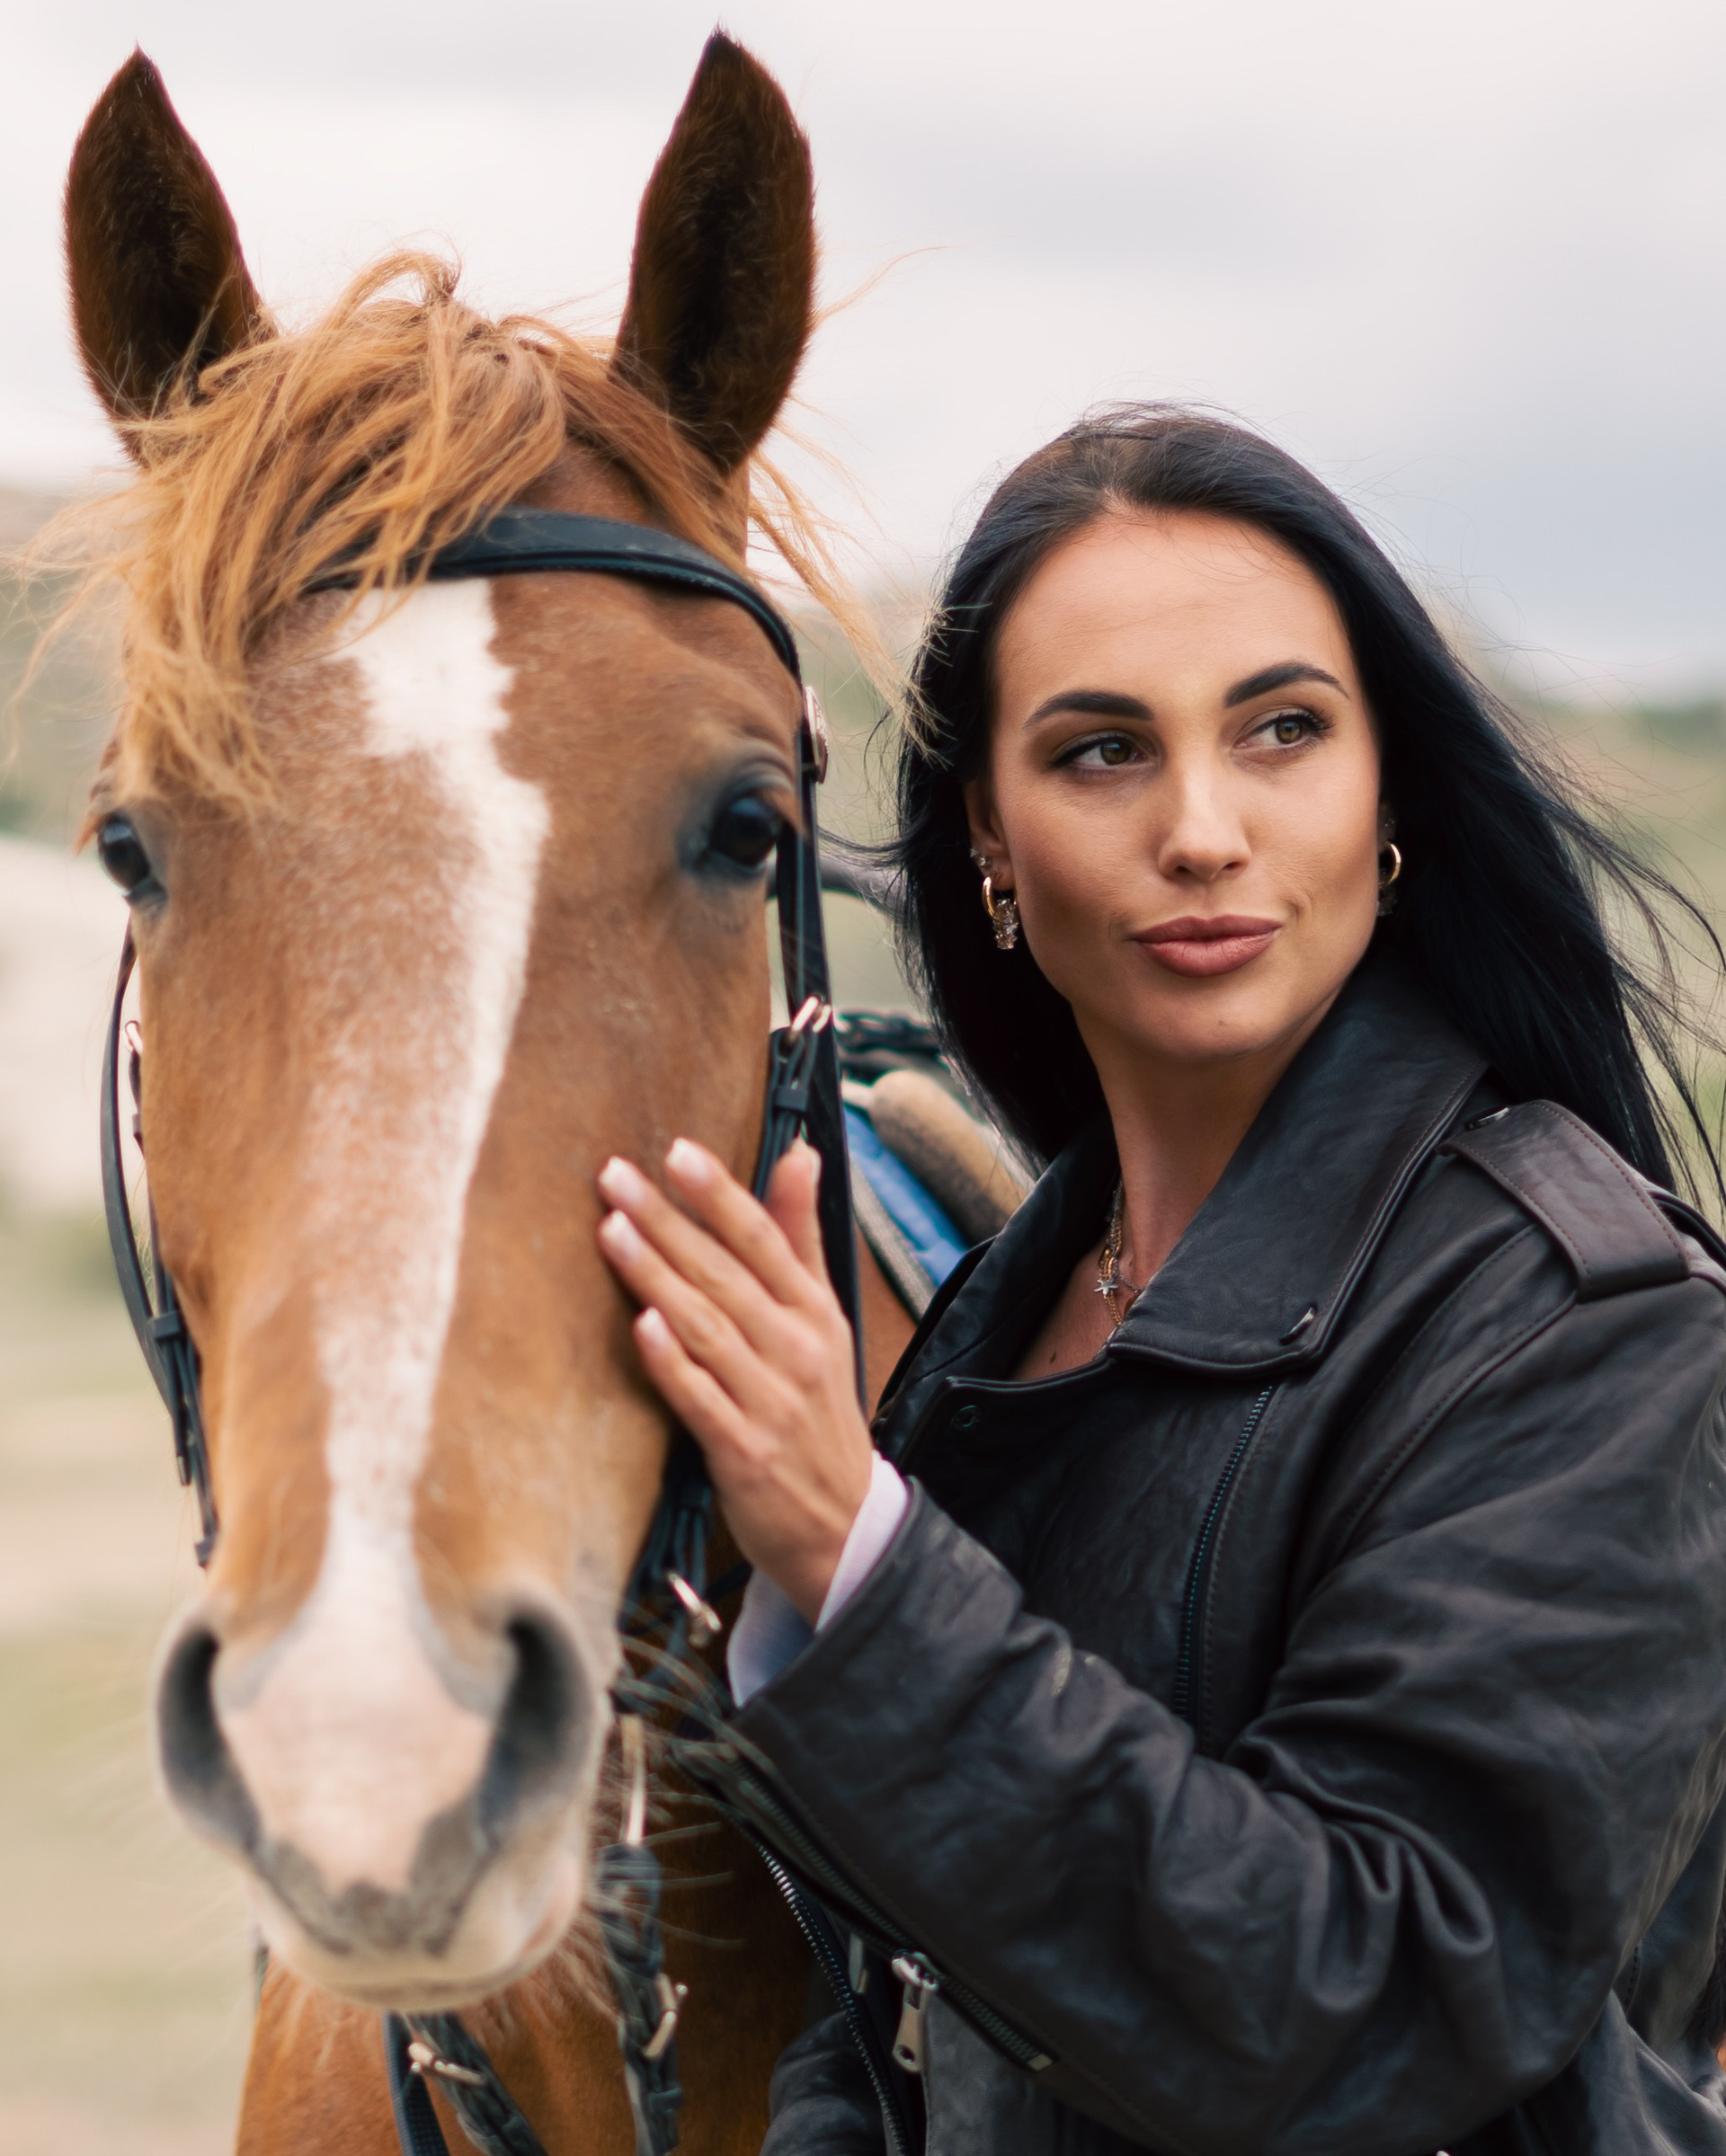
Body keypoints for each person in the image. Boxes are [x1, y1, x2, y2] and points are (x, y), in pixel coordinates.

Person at [595, 407, 1726, 2154]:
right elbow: (902, 2009)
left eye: (1283, 730)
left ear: (1388, 794)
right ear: (989, 835)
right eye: (1104, 751)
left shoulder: (1589, 1326)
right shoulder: (1000, 1319)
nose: (1204, 830)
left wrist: (853, 1550)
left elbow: (1368, 2007)